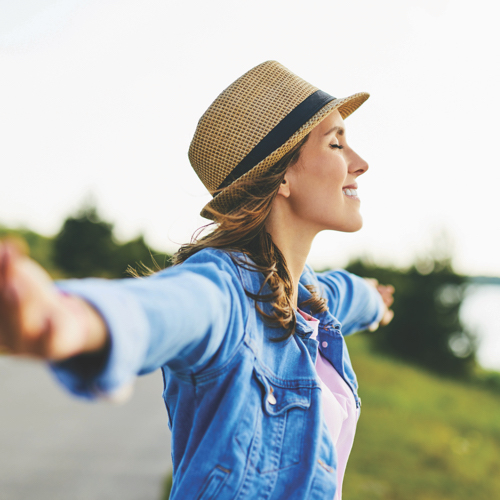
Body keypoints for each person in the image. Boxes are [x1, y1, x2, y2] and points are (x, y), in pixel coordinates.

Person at [0, 60, 394, 499]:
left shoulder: (305, 294)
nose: (360, 163)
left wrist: (376, 302)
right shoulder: (224, 290)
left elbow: (347, 294)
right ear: (281, 173)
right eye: (336, 144)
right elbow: (164, 307)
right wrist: (69, 319)